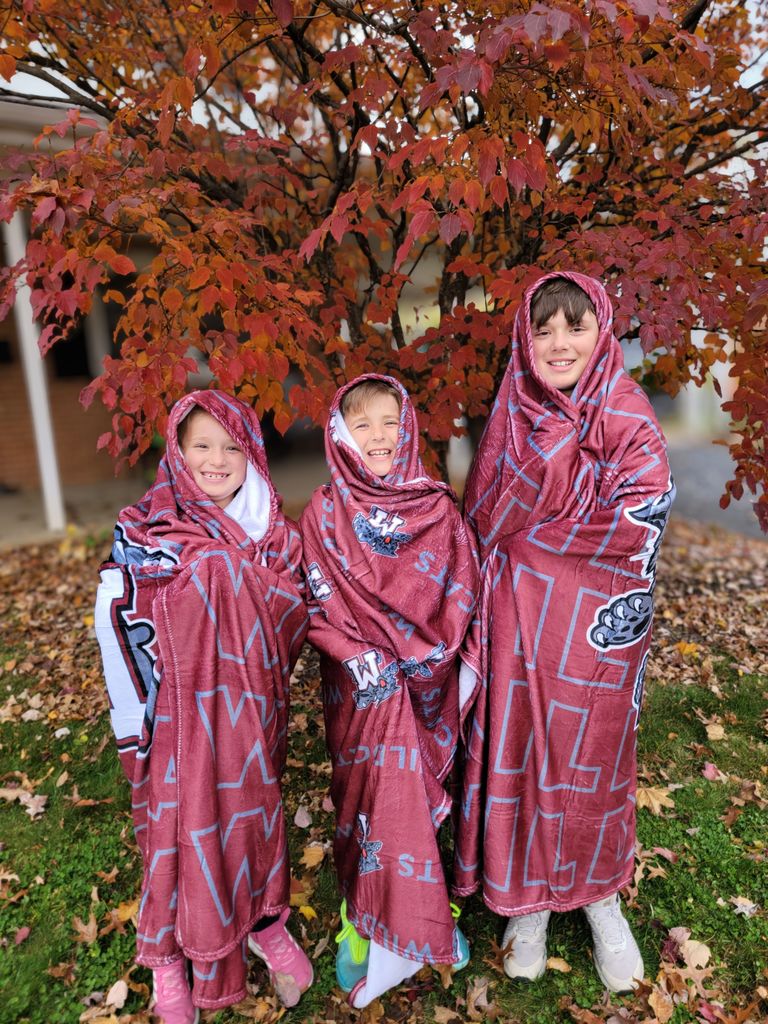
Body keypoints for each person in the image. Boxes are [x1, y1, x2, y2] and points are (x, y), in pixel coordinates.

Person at [454, 272, 675, 993]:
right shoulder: (512, 412)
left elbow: (642, 515)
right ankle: (529, 903)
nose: (558, 343)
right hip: (517, 625)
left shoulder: (627, 410)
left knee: (594, 758)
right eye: (543, 328)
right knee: (520, 750)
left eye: (574, 326)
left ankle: (600, 894)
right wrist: (528, 551)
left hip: (597, 633)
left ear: (601, 330)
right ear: (525, 335)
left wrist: (544, 546)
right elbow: (484, 522)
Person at [94, 390, 313, 1024]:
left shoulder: (274, 534)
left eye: (232, 447)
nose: (216, 460)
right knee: (175, 831)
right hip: (175, 725)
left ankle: (264, 925)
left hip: (248, 720)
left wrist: (231, 582)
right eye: (201, 447)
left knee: (249, 821)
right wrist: (210, 579)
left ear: (253, 456)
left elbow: (291, 613)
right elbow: (119, 611)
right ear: (177, 452)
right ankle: (168, 961)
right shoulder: (147, 527)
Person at [299, 374, 480, 1008]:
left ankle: (427, 911)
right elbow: (315, 604)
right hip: (360, 692)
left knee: (424, 794)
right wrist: (362, 658)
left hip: (426, 684)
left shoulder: (435, 506)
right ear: (340, 434)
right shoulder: (323, 511)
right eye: (363, 424)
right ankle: (361, 919)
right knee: (367, 804)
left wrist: (430, 656)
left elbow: (462, 588)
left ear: (408, 431)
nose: (378, 436)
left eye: (389, 422)